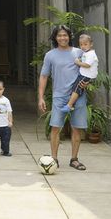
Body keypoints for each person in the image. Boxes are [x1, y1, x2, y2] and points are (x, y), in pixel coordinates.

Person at [37, 25, 88, 171]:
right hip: (59, 96)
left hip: (78, 95)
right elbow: (44, 76)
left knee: (76, 129)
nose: (62, 38)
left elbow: (89, 69)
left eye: (65, 35)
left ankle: (74, 159)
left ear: (69, 36)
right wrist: (40, 98)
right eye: (59, 35)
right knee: (55, 128)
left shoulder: (79, 52)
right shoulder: (50, 55)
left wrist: (87, 82)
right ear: (55, 38)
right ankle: (54, 159)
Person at [60, 33, 98, 113]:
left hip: (86, 76)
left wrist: (78, 63)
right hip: (84, 75)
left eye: (85, 44)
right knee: (76, 88)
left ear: (91, 44)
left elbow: (87, 65)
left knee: (76, 89)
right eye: (81, 44)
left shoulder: (91, 54)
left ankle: (69, 105)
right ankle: (72, 104)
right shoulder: (86, 53)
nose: (83, 46)